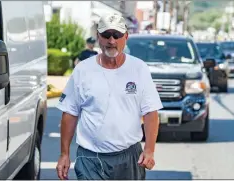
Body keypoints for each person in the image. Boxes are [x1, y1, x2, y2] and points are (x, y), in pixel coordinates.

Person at [56, 13, 163, 180]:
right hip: (90, 157)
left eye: (117, 35)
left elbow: (150, 112)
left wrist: (149, 150)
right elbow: (70, 113)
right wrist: (64, 154)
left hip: (129, 157)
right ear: (98, 37)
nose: (111, 41)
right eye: (106, 35)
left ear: (125, 37)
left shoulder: (139, 68)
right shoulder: (83, 70)